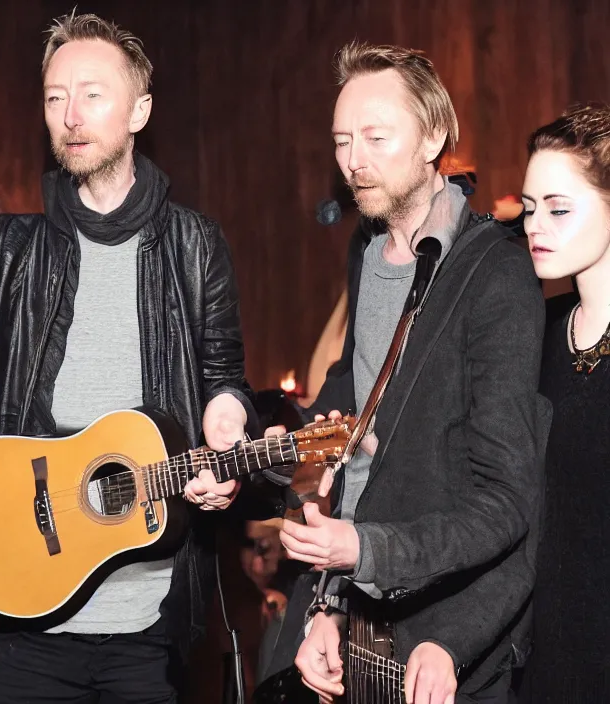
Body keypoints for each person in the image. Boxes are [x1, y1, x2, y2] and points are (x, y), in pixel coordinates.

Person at [0, 11, 256, 703]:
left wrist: (227, 422)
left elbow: (226, 383)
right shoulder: (11, 247)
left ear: (139, 110)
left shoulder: (195, 246)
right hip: (26, 611)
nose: (71, 114)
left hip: (150, 627)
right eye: (55, 96)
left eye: (92, 93)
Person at [261, 42, 549, 704]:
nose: (353, 160)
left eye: (374, 137)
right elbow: (349, 442)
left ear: (434, 136)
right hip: (353, 621)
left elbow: (507, 505)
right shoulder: (366, 251)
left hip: (437, 643)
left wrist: (364, 555)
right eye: (340, 141)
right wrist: (324, 606)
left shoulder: (497, 275)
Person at [520, 103, 610, 703]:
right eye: (528, 209)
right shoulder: (534, 333)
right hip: (536, 658)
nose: (534, 226)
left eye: (557, 209)